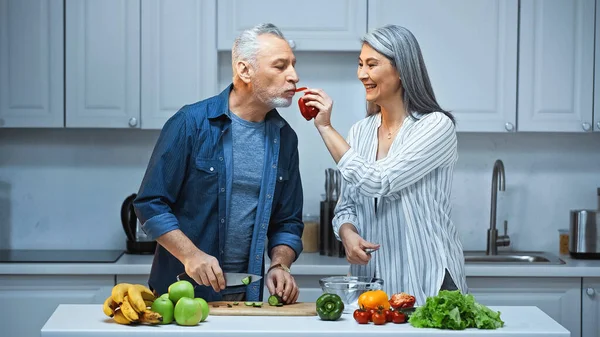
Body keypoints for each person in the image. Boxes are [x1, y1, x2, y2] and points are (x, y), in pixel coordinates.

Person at [133, 23, 304, 304]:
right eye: (280, 66)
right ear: (244, 70)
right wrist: (191, 255)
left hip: (245, 296)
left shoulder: (285, 138)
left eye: (293, 65)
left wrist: (279, 264)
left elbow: (287, 222)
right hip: (180, 295)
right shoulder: (190, 123)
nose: (294, 76)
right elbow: (150, 204)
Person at [300, 24, 467, 305]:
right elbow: (347, 207)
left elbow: (380, 181)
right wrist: (348, 233)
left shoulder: (436, 126)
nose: (362, 73)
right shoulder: (360, 132)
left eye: (372, 64)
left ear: (402, 70)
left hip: (427, 278)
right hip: (373, 283)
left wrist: (326, 128)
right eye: (360, 64)